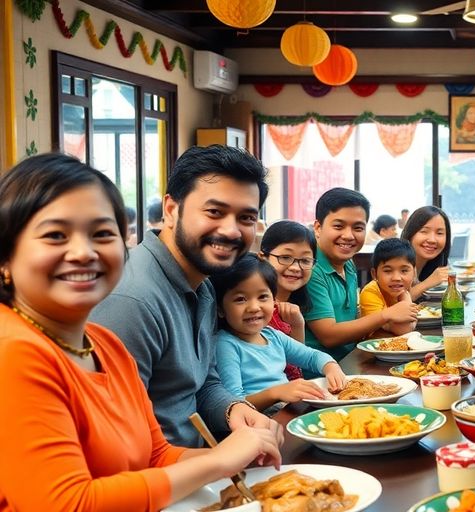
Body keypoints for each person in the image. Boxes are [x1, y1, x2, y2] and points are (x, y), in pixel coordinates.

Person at [0, 153, 281, 510]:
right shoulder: (13, 350)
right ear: (6, 257)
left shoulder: (104, 345)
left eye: (103, 233)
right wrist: (218, 461)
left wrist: (238, 446)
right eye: (55, 235)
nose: (84, 253)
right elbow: (65, 504)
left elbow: (156, 452)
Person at [91, 145, 281, 448]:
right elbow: (110, 437)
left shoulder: (202, 285)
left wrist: (235, 409)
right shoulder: (132, 300)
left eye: (246, 217)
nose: (231, 231)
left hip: (196, 467)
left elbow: (201, 382)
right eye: (214, 212)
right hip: (159, 485)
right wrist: (215, 463)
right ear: (171, 210)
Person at [212, 254, 346, 413]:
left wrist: (331, 367)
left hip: (287, 412)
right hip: (259, 424)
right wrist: (276, 393)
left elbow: (312, 357)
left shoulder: (272, 336)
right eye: (240, 299)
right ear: (220, 308)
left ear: (274, 300)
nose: (254, 307)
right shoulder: (226, 344)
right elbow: (234, 404)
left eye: (263, 297)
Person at [304, 188, 418, 363]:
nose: (348, 236)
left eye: (358, 228)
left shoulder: (348, 264)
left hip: (353, 358)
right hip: (322, 372)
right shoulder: (311, 269)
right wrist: (387, 315)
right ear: (318, 228)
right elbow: (329, 336)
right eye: (338, 226)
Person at [259, 220, 316, 381]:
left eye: (305, 261)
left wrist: (297, 326)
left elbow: (296, 367)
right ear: (263, 257)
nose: (295, 267)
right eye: (285, 257)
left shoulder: (293, 308)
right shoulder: (256, 310)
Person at [359, 238, 419, 338]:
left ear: (414, 272)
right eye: (388, 271)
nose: (396, 278)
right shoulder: (371, 292)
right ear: (374, 274)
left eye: (404, 271)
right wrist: (405, 298)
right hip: (374, 349)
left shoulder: (401, 290)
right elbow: (404, 329)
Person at [401, 206, 452, 300]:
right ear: (410, 233)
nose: (432, 240)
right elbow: (394, 303)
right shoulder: (398, 263)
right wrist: (429, 282)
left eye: (439, 233)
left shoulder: (432, 264)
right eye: (424, 231)